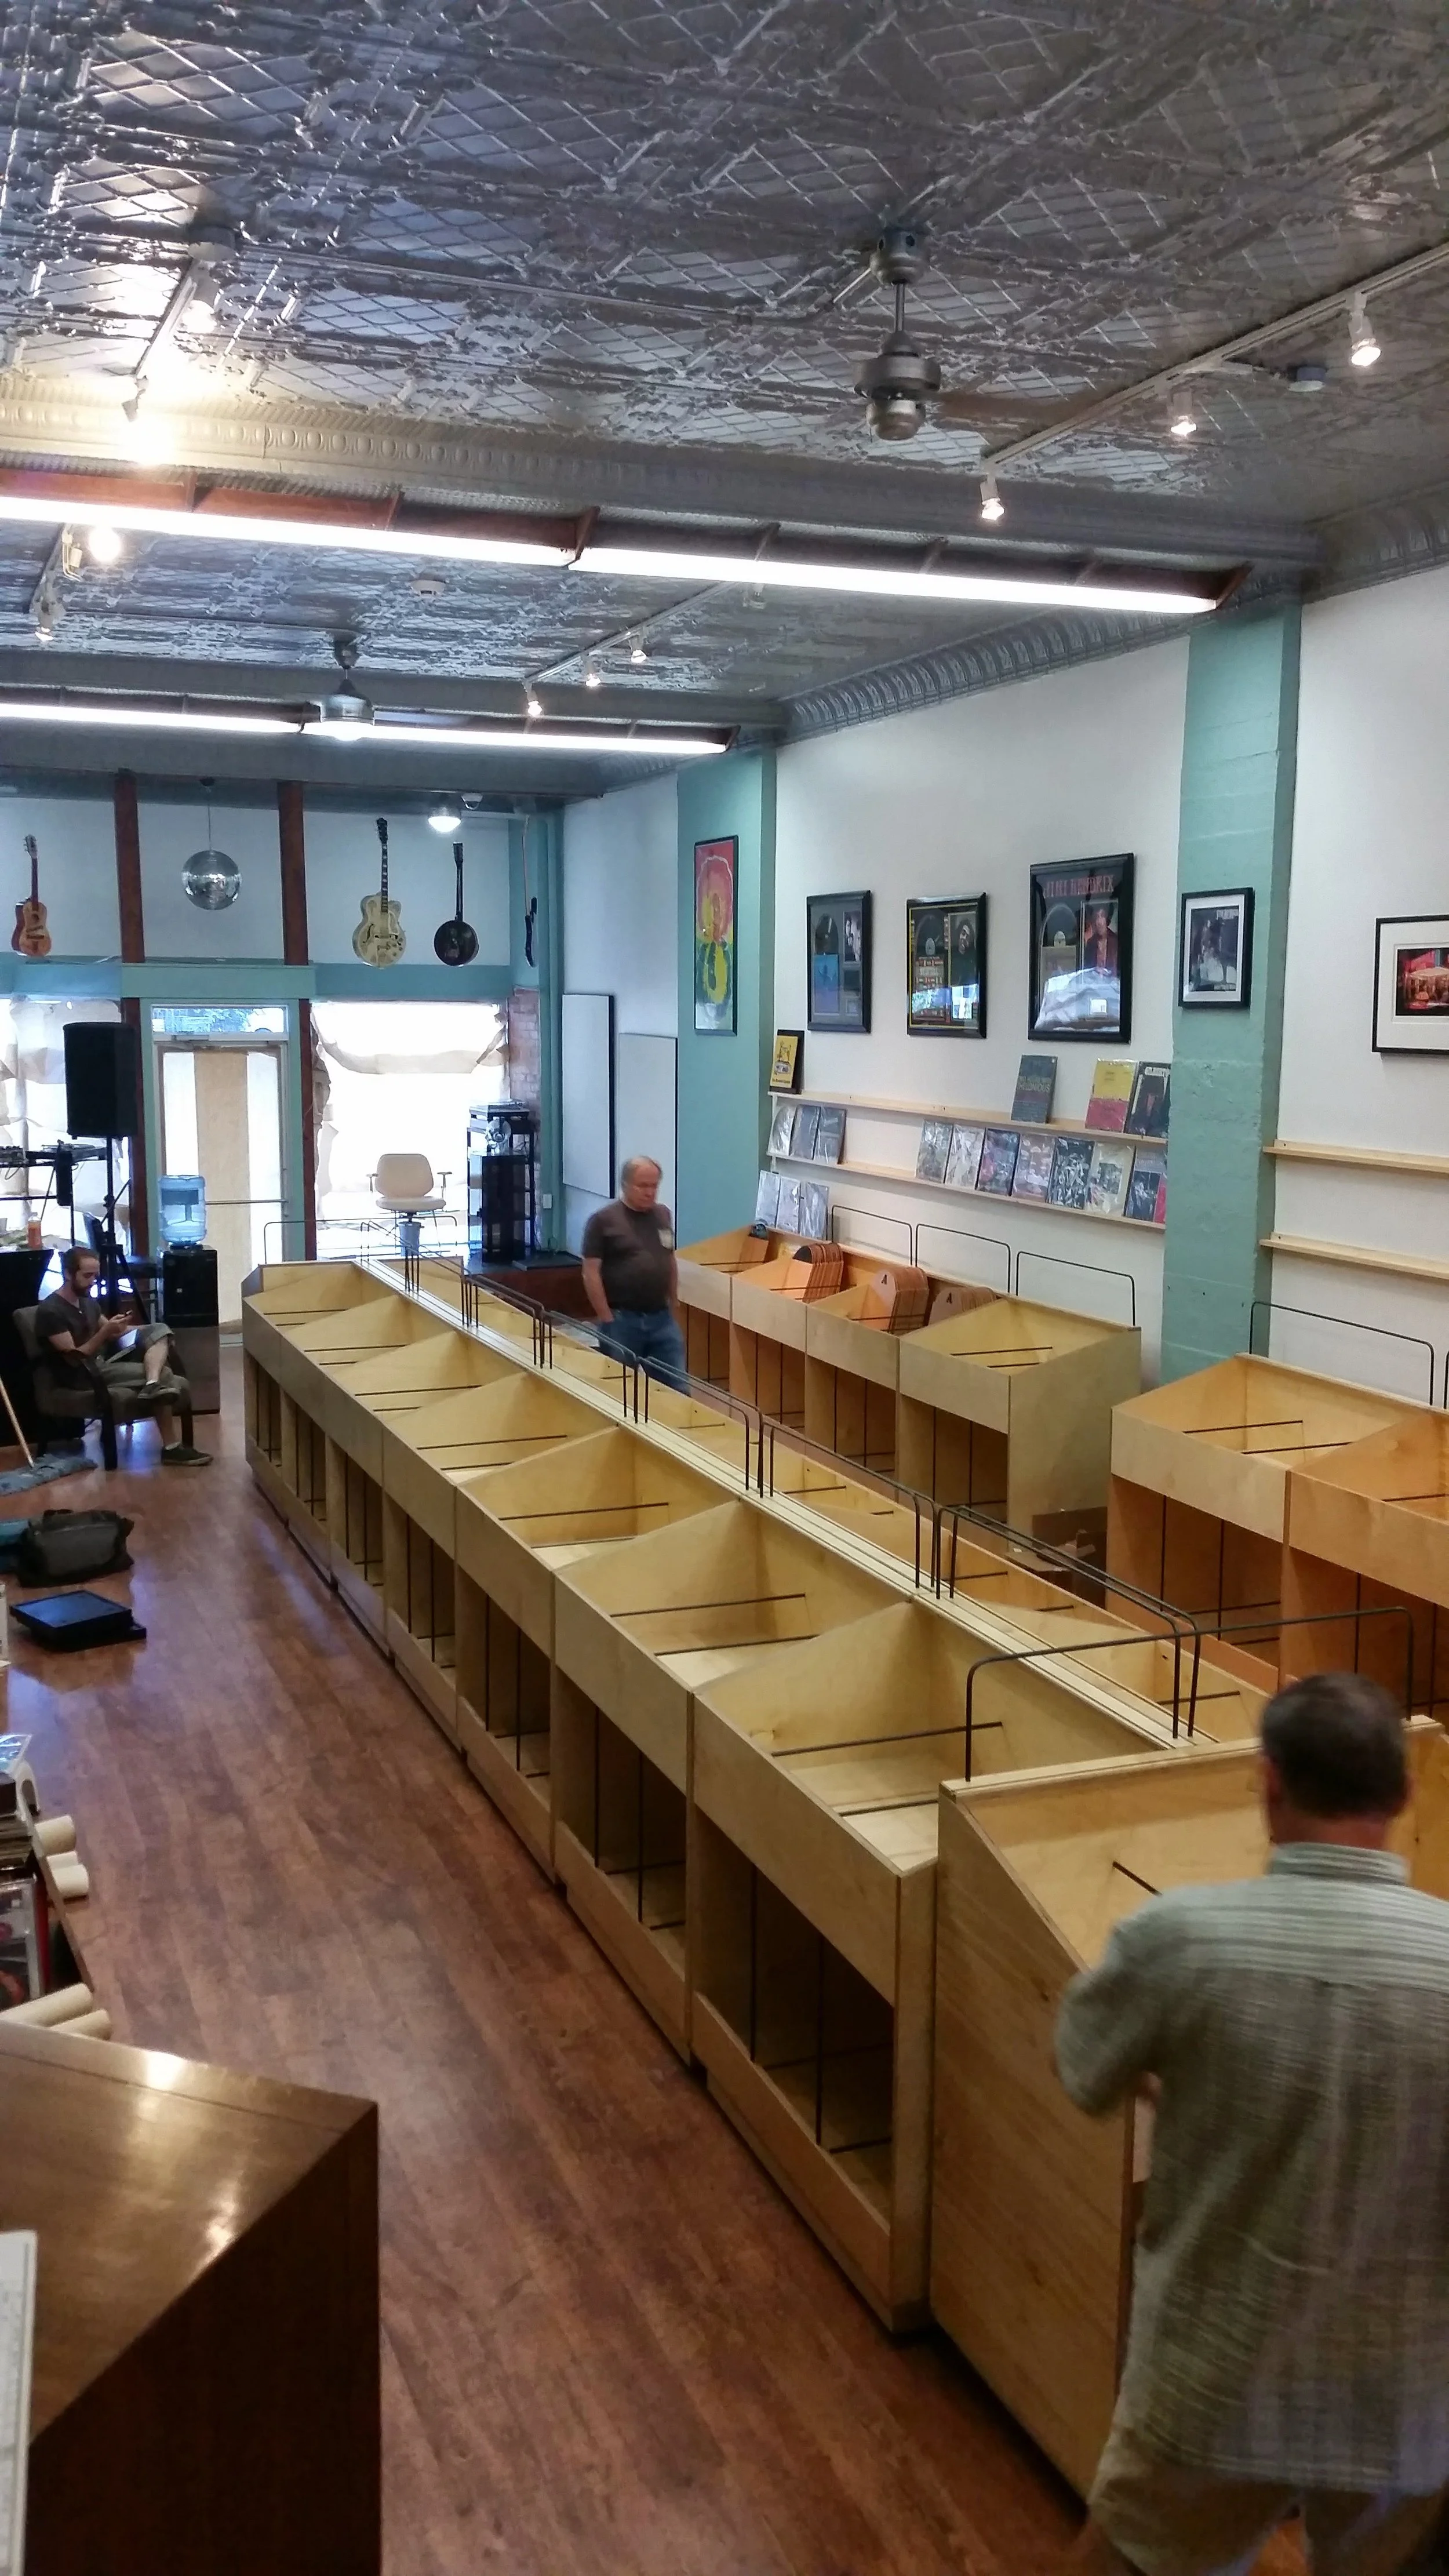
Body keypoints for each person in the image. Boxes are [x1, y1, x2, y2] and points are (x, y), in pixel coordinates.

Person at [1054, 1669, 1449, 2576]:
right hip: (1404, 2401)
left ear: (1269, 1782)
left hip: (1215, 2381)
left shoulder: (1180, 1939)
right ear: (1404, 1793)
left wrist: (1187, 2088)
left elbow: (1082, 2067)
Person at [33, 1245, 210, 1465]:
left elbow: (111, 1332)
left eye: (96, 1276)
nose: (93, 1281)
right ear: (68, 1274)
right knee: (166, 1374)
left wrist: (127, 1327)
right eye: (87, 1276)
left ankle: (152, 1384)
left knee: (159, 1330)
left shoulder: (88, 1302)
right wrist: (106, 1332)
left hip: (101, 1364)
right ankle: (171, 1445)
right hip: (81, 1375)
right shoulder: (51, 1311)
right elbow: (76, 1357)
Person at [580, 1158, 687, 1389]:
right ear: (625, 1185)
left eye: (654, 1186)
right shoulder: (602, 1222)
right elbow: (591, 1272)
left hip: (661, 1318)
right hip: (622, 1319)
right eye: (643, 1186)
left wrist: (674, 1300)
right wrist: (606, 1316)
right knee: (621, 1390)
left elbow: (669, 1259)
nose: (650, 1192)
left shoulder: (663, 1216)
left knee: (676, 1389)